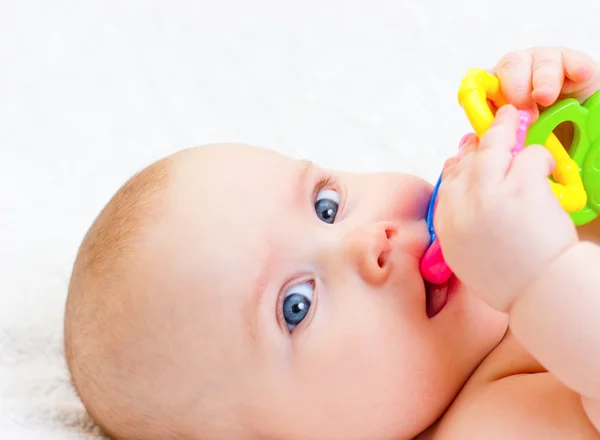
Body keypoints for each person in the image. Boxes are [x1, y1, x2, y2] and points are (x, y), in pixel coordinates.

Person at [64, 46, 600, 439]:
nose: (366, 242)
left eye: (327, 206)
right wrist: (538, 277)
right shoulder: (485, 424)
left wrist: (574, 130)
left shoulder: (515, 237)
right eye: (296, 306)